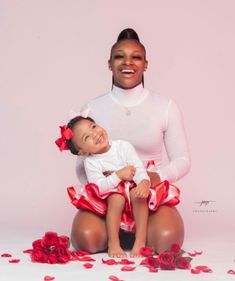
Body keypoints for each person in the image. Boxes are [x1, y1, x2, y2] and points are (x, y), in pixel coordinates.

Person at [71, 28, 190, 254]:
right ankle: (112, 235)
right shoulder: (92, 108)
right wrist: (107, 182)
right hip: (108, 195)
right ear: (109, 63)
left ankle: (142, 233)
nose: (128, 62)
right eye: (119, 56)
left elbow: (183, 160)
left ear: (145, 64)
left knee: (168, 241)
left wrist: (157, 177)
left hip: (147, 192)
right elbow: (81, 164)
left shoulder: (165, 106)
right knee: (86, 239)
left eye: (136, 57)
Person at [55, 115, 153, 257]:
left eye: (93, 127)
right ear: (83, 152)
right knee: (116, 198)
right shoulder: (91, 162)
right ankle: (113, 242)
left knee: (138, 195)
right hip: (110, 194)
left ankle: (140, 241)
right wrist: (118, 175)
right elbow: (99, 187)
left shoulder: (123, 146)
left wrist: (144, 182)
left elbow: (137, 168)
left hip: (132, 186)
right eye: (86, 138)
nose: (95, 134)